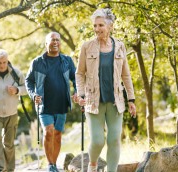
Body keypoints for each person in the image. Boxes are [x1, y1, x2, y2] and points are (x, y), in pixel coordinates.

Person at [75, 8, 137, 172]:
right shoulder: (87, 46)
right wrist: (81, 94)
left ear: (110, 26)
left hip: (116, 101)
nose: (97, 29)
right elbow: (79, 73)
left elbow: (126, 75)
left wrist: (131, 99)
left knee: (114, 140)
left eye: (100, 25)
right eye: (95, 25)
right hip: (93, 101)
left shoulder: (120, 47)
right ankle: (93, 164)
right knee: (97, 141)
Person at [25, 32, 77, 172]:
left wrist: (78, 92)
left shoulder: (67, 61)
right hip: (44, 105)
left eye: (57, 40)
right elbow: (28, 81)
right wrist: (33, 94)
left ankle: (54, 164)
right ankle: (51, 165)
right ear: (46, 43)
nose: (55, 42)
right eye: (52, 40)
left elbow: (76, 78)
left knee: (58, 135)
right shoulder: (37, 62)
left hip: (62, 104)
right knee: (49, 132)